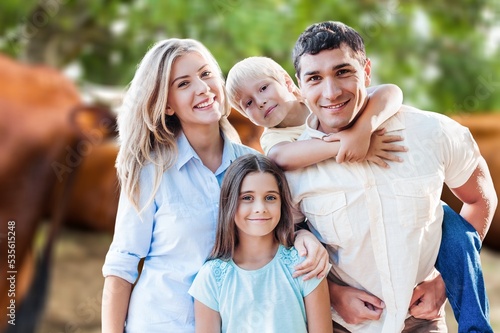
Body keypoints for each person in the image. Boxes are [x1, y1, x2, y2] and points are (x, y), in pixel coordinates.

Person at [100, 38, 330, 333]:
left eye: (206, 74)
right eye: (183, 84)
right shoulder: (152, 172)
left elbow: (277, 232)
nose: (202, 88)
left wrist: (303, 237)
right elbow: (121, 267)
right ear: (167, 104)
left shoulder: (254, 165)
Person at [286, 21, 497, 332]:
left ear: (367, 71)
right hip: (341, 324)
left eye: (343, 72)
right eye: (315, 78)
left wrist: (442, 283)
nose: (330, 92)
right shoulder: (290, 168)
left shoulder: (431, 132)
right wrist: (331, 295)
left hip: (421, 322)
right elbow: (276, 245)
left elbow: (480, 198)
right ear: (299, 86)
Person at [189, 154, 333, 333]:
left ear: (282, 203)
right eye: (247, 198)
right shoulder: (211, 277)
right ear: (230, 203)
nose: (260, 208)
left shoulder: (305, 264)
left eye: (270, 198)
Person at [226, 56, 406, 171]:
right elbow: (280, 157)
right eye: (248, 103)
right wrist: (349, 144)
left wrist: (362, 131)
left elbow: (391, 92)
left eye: (264, 88)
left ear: (287, 83)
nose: (260, 102)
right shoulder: (273, 138)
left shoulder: (319, 99)